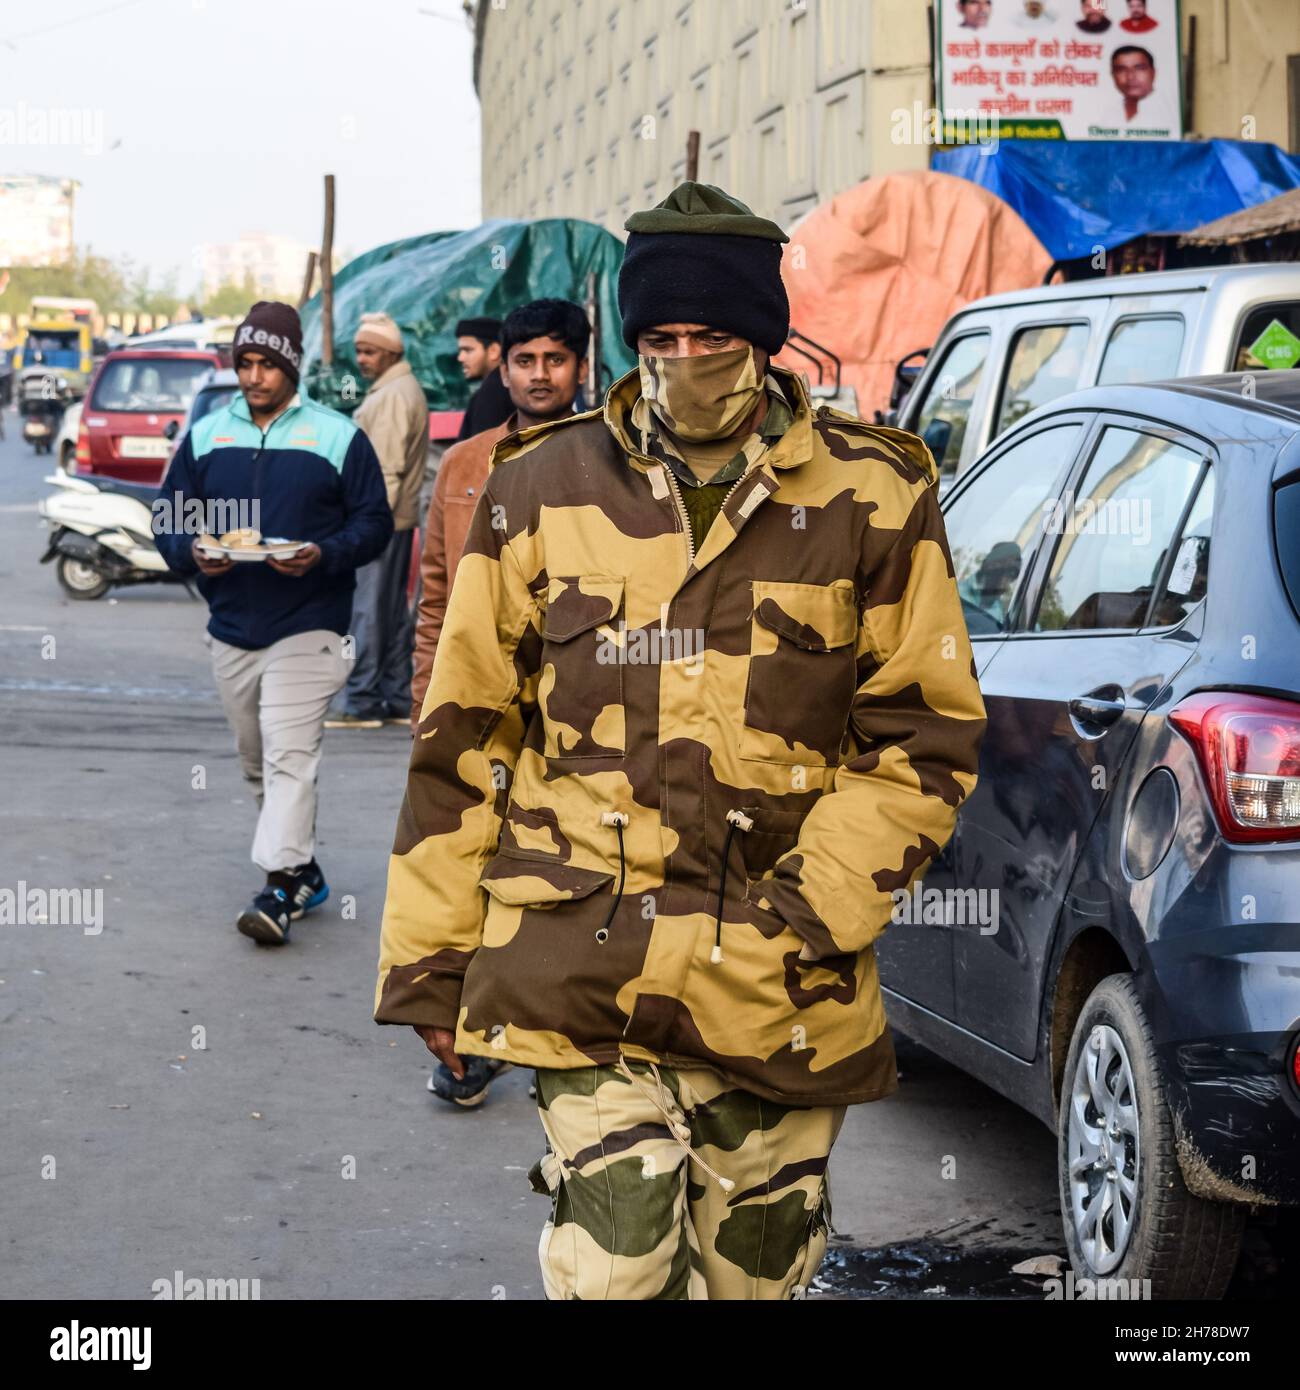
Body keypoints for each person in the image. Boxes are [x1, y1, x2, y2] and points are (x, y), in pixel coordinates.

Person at [374, 182, 987, 1301]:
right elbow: (467, 736)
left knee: (750, 1281)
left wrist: (808, 917)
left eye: (713, 338)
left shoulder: (872, 492)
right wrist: (429, 966)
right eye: (659, 339)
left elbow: (919, 736)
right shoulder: (536, 489)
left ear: (762, 339)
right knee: (616, 1264)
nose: (685, 362)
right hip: (573, 962)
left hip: (776, 978)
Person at [155, 301, 392, 944]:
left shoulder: (337, 435)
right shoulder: (207, 433)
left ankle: (279, 889)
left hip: (311, 622)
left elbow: (374, 522)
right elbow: (169, 517)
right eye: (245, 363)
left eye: (267, 364)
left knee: (290, 754)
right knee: (257, 761)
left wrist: (323, 554)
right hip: (232, 624)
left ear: (292, 364)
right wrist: (194, 552)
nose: (255, 376)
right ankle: (305, 869)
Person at [410, 297, 590, 1106]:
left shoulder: (612, 462)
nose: (540, 374)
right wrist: (426, 706)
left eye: (556, 359)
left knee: (563, 870)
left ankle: (568, 1030)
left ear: (581, 367)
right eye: (526, 360)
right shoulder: (463, 467)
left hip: (579, 710)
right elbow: (436, 596)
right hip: (473, 707)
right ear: (504, 367)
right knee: (468, 866)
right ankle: (473, 1043)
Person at [326, 312, 430, 729]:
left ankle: (363, 699)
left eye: (369, 351)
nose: (362, 359)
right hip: (394, 520)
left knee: (367, 611)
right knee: (386, 610)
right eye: (359, 351)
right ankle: (393, 694)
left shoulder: (392, 396)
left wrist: (364, 528)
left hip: (381, 521)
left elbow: (386, 470)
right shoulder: (398, 389)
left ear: (390, 353)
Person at [454, 316, 512, 442]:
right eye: (460, 351)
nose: (460, 358)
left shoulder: (491, 393)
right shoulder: (503, 386)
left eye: (468, 350)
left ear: (493, 351)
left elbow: (482, 453)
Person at [1112, 45, 1156, 121]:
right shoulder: (1108, 114)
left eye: (1139, 69)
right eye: (1121, 70)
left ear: (1153, 73)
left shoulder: (1168, 109)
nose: (1130, 77)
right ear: (1113, 75)